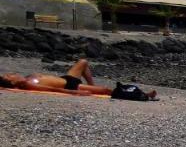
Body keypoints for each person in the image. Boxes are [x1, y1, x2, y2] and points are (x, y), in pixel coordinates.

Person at [0, 58, 156, 98]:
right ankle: (144, 95)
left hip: (67, 78)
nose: (12, 74)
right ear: (12, 82)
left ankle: (93, 85)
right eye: (9, 76)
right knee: (107, 90)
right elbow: (50, 89)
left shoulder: (28, 78)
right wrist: (73, 93)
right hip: (70, 86)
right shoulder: (27, 84)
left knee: (83, 62)